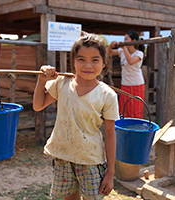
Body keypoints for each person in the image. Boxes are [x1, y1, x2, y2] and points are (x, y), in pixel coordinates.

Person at [33, 32, 119, 200]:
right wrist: (42, 81)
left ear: (104, 63)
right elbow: (38, 106)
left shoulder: (107, 95)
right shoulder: (62, 83)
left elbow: (109, 133)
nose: (88, 65)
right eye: (81, 59)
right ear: (73, 62)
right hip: (64, 156)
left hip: (91, 160)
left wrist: (110, 172)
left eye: (95, 60)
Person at [107, 30, 145, 118]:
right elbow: (108, 53)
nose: (124, 41)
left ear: (134, 41)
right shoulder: (122, 51)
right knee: (124, 109)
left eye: (126, 39)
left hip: (136, 84)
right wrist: (110, 46)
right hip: (125, 83)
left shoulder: (139, 53)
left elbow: (131, 61)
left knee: (135, 110)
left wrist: (124, 48)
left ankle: (136, 129)